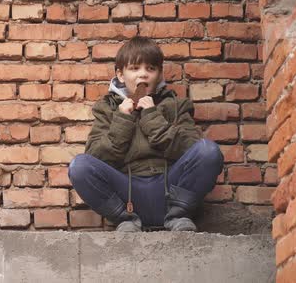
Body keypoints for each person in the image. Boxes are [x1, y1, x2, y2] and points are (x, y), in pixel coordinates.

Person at [68, 36, 224, 232]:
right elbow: (95, 157)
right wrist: (123, 119)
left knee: (208, 151)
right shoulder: (107, 109)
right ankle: (126, 220)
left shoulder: (176, 105)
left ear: (159, 74)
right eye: (134, 68)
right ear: (121, 74)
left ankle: (177, 215)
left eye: (150, 69)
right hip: (128, 196)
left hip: (170, 191)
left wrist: (152, 116)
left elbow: (191, 150)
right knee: (79, 166)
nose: (143, 75)